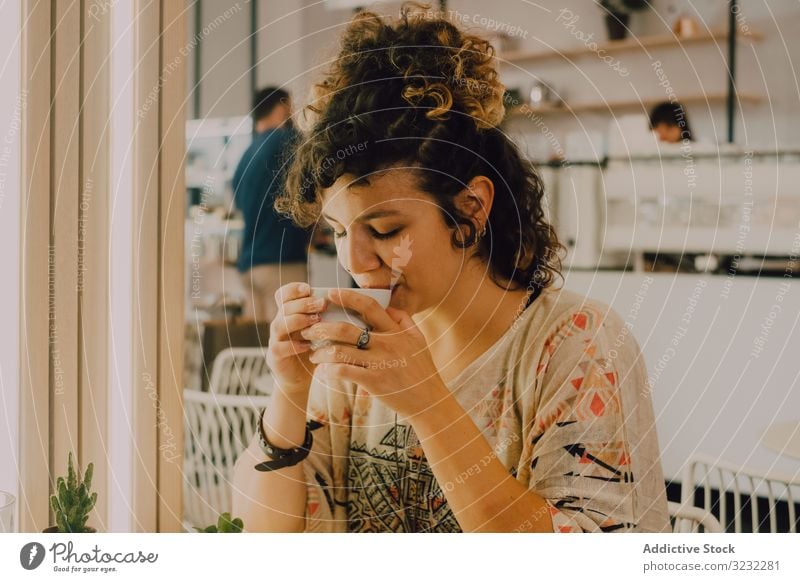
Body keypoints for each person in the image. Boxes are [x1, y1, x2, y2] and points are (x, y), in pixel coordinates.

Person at [233, 3, 670, 533]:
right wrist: (289, 395)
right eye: (340, 232)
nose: (353, 262)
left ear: (470, 209)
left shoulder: (574, 346)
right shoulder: (359, 354)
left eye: (386, 230)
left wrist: (430, 406)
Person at [234, 87, 311, 322]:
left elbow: (238, 204)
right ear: (281, 108)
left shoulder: (246, 154)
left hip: (249, 266)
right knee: (293, 344)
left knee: (260, 350)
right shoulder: (287, 140)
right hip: (280, 262)